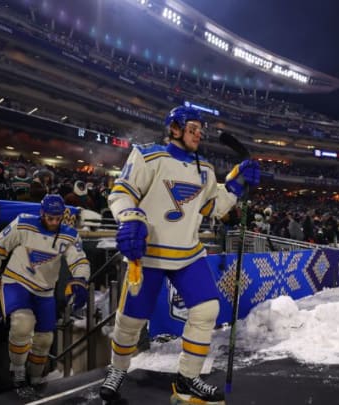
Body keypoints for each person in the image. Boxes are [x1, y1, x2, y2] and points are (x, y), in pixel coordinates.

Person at [99, 106, 260, 404]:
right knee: (131, 321)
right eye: (192, 128)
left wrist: (236, 183)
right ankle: (117, 369)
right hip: (148, 254)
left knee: (207, 310)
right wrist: (131, 218)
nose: (199, 134)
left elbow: (213, 207)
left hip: (188, 253)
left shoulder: (206, 169)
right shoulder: (148, 156)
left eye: (201, 129)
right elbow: (122, 192)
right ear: (174, 128)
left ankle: (188, 378)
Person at [0, 194, 90, 396]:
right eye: (50, 218)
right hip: (16, 281)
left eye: (58, 218)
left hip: (45, 290)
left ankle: (36, 377)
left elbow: (79, 261)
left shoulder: (70, 235)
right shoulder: (23, 223)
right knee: (23, 323)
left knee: (45, 339)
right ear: (42, 213)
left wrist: (80, 281)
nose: (54, 222)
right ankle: (18, 373)